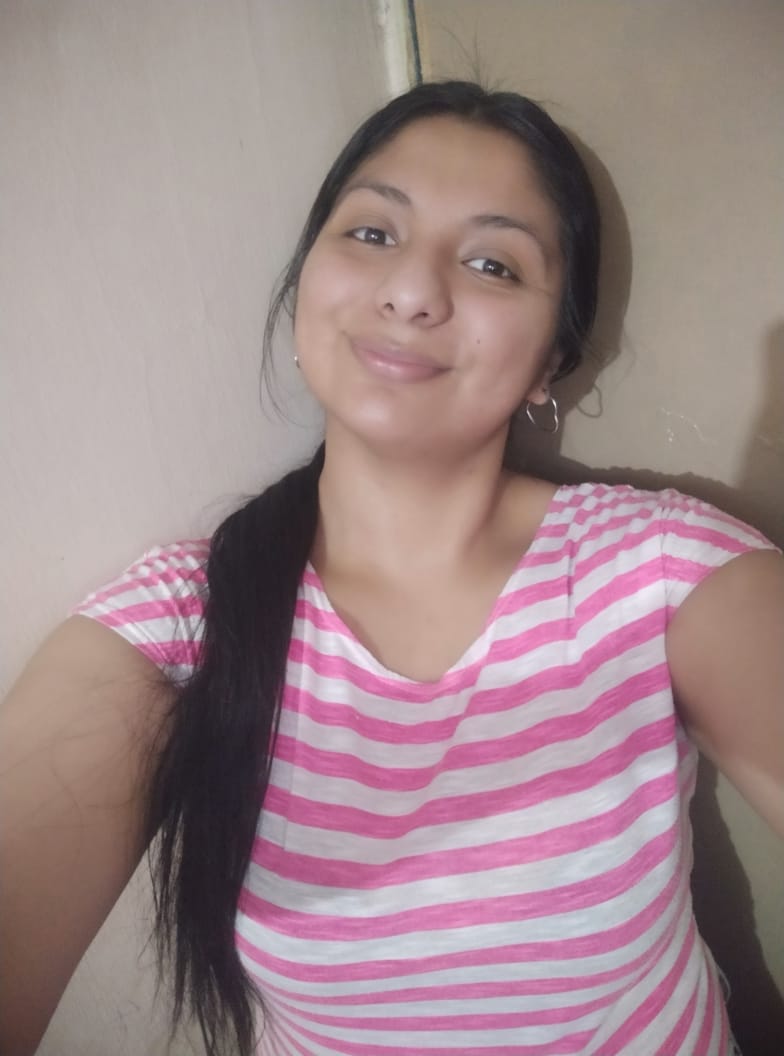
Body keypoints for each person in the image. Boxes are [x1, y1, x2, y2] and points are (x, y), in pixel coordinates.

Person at [1, 80, 782, 1056]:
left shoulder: (657, 575)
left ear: (550, 360)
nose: (412, 290)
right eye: (372, 233)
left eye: (493, 263)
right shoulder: (181, 625)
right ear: (304, 287)